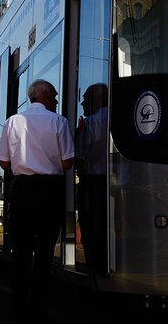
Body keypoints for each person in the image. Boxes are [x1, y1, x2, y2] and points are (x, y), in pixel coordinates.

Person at [0, 79, 75, 324]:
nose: (56, 99)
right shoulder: (59, 121)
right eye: (54, 94)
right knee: (43, 254)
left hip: (21, 190)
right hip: (50, 191)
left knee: (20, 253)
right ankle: (38, 309)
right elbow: (66, 163)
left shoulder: (12, 122)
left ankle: (18, 308)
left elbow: (4, 163)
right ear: (43, 96)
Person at [75, 83, 109, 273]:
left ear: (97, 100)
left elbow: (79, 157)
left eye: (86, 99)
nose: (81, 103)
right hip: (116, 183)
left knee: (91, 226)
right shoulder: (118, 119)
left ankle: (94, 265)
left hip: (92, 183)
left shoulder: (90, 123)